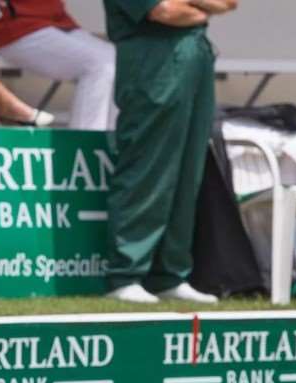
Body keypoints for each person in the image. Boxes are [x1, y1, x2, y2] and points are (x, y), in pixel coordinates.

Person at [102, 0, 238, 304]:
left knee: (188, 171)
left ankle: (170, 274)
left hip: (194, 56)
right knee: (147, 167)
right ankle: (126, 273)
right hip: (152, 63)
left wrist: (194, 8)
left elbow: (229, 2)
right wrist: (203, 10)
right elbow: (164, 11)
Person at [0, 0, 117, 130]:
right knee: (100, 64)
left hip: (55, 20)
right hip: (15, 25)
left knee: (117, 59)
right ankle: (86, 146)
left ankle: (111, 145)